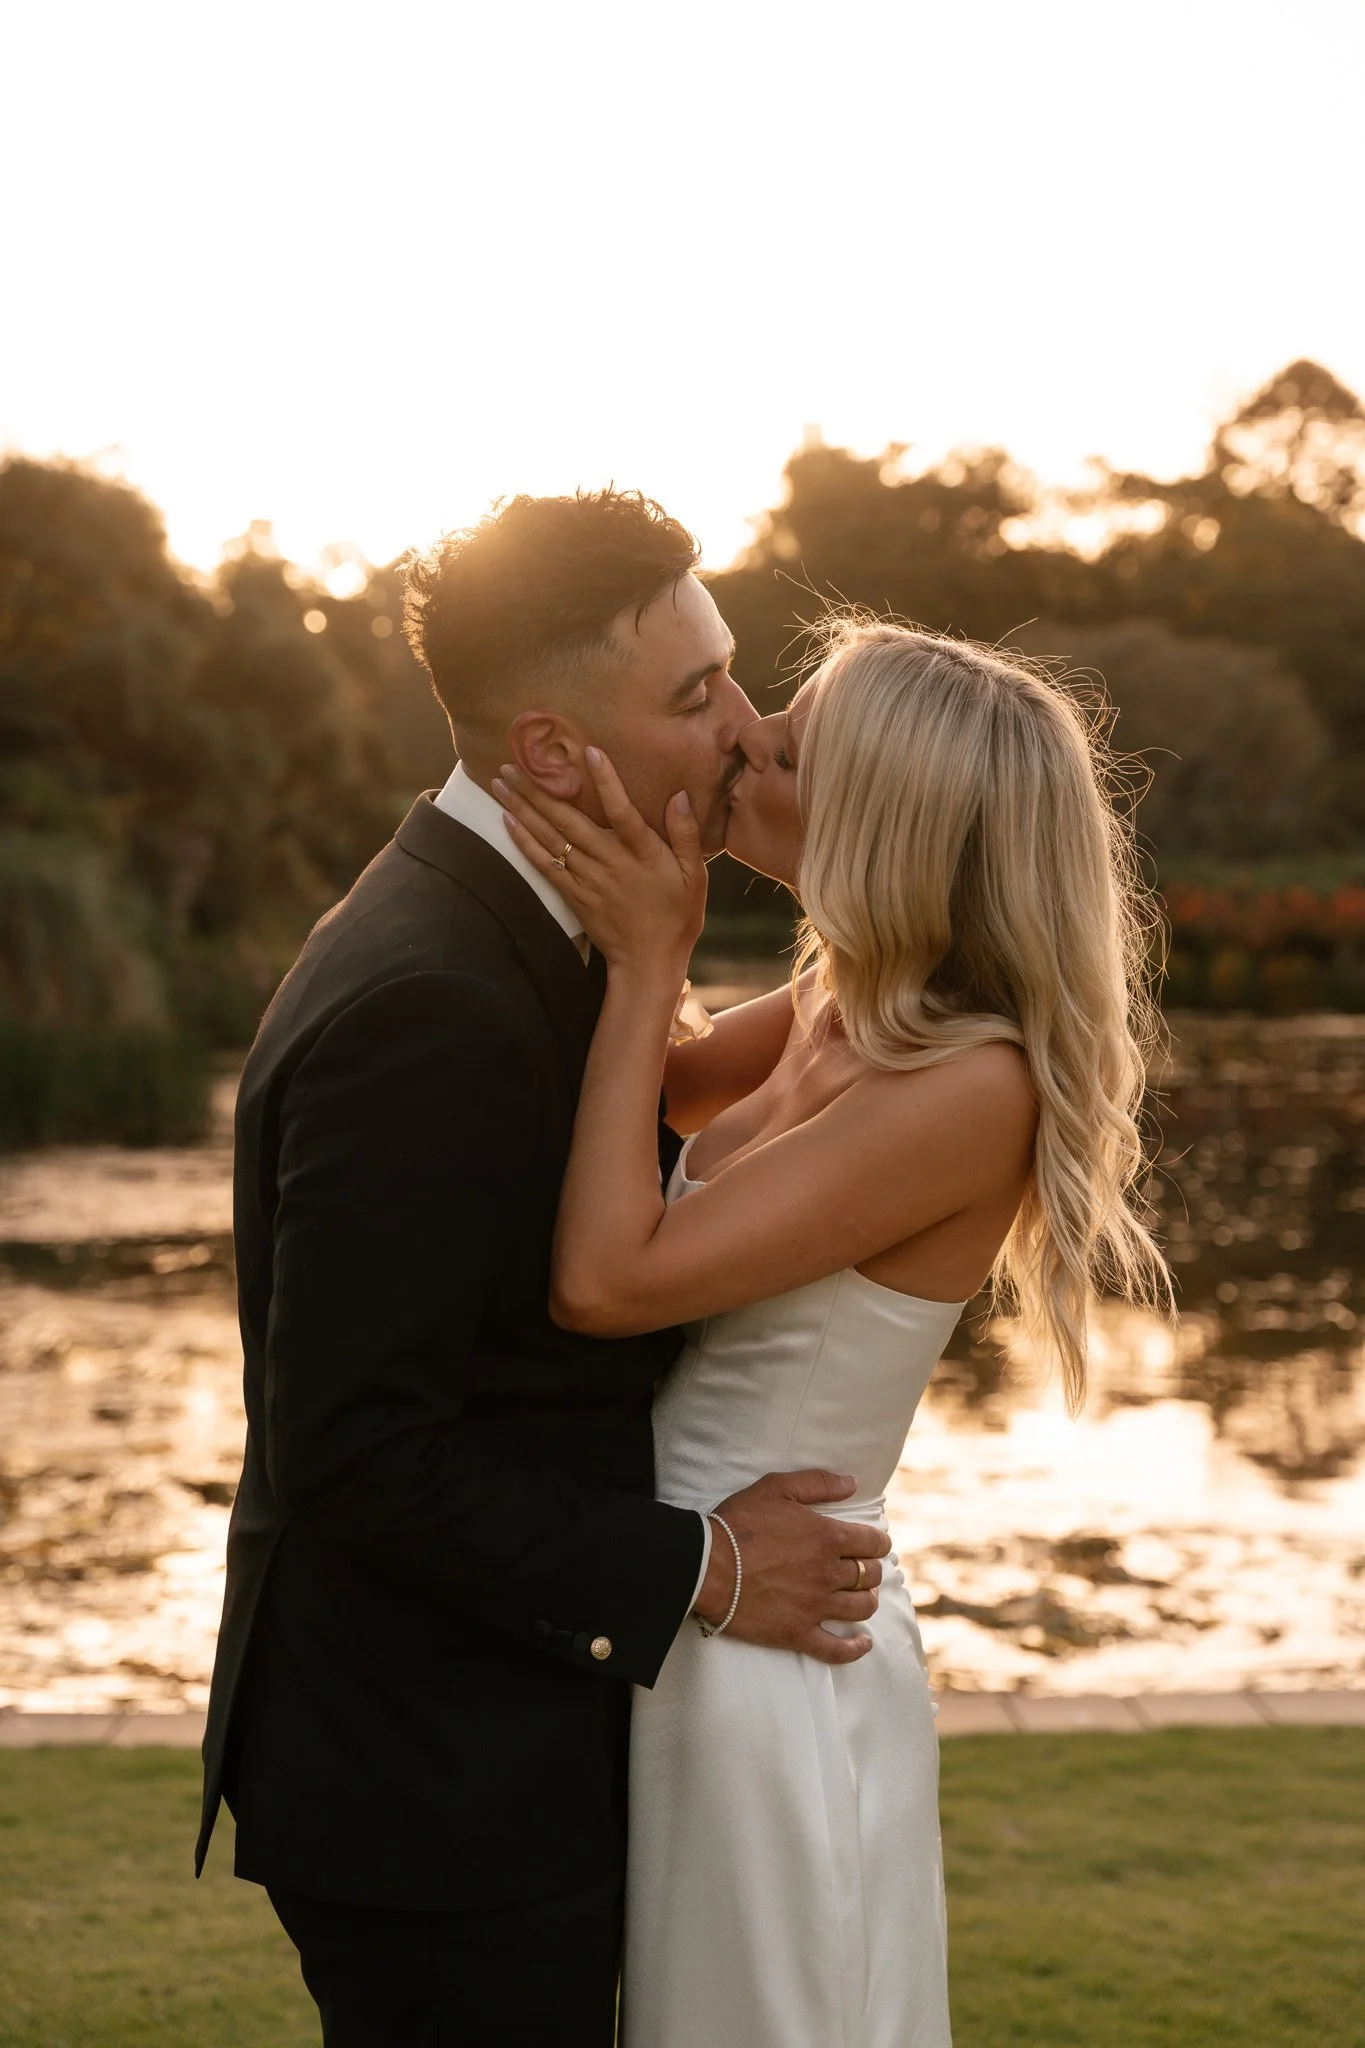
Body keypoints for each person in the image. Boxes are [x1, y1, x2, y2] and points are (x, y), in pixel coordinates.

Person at [196, 492, 892, 2048]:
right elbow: (357, 1451)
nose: (745, 724)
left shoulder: (531, 919)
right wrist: (707, 1572)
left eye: (733, 672)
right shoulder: (430, 997)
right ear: (554, 754)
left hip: (493, 1743)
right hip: (437, 1785)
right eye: (694, 693)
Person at [499, 617, 1172, 2046]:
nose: (745, 738)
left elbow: (611, 1279)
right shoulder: (835, 1002)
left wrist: (649, 954)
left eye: (790, 746)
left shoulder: (965, 1083)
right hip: (689, 1592)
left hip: (770, 1647)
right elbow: (634, 1100)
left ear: (880, 812)